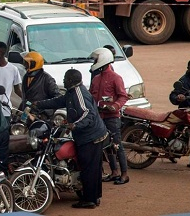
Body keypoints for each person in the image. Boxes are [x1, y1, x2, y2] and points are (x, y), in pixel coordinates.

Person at [33, 69, 108, 209]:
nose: (63, 81)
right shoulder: (71, 93)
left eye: (65, 79)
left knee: (88, 168)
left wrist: (75, 125)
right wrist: (40, 104)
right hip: (91, 135)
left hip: (90, 137)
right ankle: (95, 196)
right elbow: (59, 101)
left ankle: (89, 200)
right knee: (93, 167)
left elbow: (88, 113)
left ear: (71, 81)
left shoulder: (79, 93)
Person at [89, 47, 129, 185]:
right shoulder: (96, 78)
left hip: (112, 117)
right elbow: (91, 96)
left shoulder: (116, 78)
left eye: (96, 59)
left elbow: (123, 96)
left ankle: (124, 174)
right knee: (107, 146)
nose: (94, 62)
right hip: (99, 117)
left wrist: (115, 106)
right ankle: (114, 171)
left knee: (117, 145)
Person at [19, 51, 61, 119]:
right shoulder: (26, 77)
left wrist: (44, 114)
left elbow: (57, 99)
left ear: (33, 64)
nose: (24, 66)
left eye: (26, 63)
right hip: (26, 115)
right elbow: (25, 98)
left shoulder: (47, 79)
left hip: (40, 118)